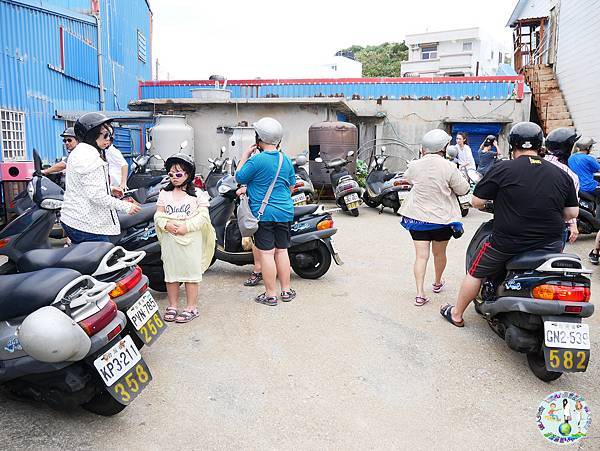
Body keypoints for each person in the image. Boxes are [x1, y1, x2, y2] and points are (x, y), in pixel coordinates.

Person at [440, 122, 579, 327]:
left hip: (506, 242)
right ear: (540, 145)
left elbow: (476, 202)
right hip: (550, 244)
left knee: (475, 272)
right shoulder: (561, 174)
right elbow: (571, 213)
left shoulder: (503, 168)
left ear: (513, 145)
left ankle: (457, 314)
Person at [399, 129, 470, 306]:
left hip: (417, 220)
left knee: (421, 256)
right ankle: (437, 282)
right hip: (442, 220)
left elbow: (407, 179)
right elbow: (463, 189)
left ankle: (419, 293)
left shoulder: (414, 165)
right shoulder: (449, 167)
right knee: (439, 254)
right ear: (444, 148)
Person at [235, 117, 296, 306]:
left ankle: (271, 295)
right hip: (285, 212)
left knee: (267, 254)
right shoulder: (285, 159)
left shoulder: (256, 160)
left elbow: (239, 177)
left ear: (258, 138)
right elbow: (291, 187)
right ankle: (286, 291)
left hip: (263, 214)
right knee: (282, 251)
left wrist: (245, 155)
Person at [60, 112, 141, 243]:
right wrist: (126, 207)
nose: (109, 139)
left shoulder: (79, 152)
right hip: (85, 224)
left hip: (72, 219)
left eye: (110, 135)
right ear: (91, 135)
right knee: (104, 259)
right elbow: (97, 196)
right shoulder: (91, 159)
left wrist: (110, 189)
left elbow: (84, 184)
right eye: (106, 135)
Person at [155, 153, 215, 323]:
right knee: (171, 274)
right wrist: (165, 224)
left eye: (179, 174)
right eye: (171, 174)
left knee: (191, 274)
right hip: (170, 240)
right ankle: (173, 305)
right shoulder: (164, 194)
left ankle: (191, 307)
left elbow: (203, 217)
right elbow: (158, 215)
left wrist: (186, 227)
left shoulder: (198, 194)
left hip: (190, 240)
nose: (174, 177)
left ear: (188, 174)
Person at [545, 127, 581, 244]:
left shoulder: (536, 163)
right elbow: (571, 209)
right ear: (568, 149)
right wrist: (573, 225)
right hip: (555, 227)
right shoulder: (570, 175)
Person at [568, 137, 600, 263]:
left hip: (578, 187)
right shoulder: (588, 159)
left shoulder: (571, 158)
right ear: (587, 148)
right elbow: (597, 168)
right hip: (590, 187)